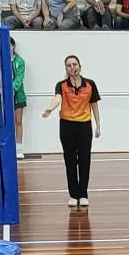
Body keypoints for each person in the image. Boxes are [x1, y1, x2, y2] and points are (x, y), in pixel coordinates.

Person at [40, 56, 101, 208]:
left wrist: (98, 125)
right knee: (70, 161)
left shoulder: (90, 84)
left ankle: (83, 194)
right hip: (67, 126)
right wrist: (50, 108)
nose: (72, 67)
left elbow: (94, 105)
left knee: (85, 160)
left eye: (74, 64)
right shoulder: (61, 85)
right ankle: (73, 195)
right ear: (66, 69)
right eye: (68, 65)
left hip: (84, 126)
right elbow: (58, 98)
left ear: (80, 66)